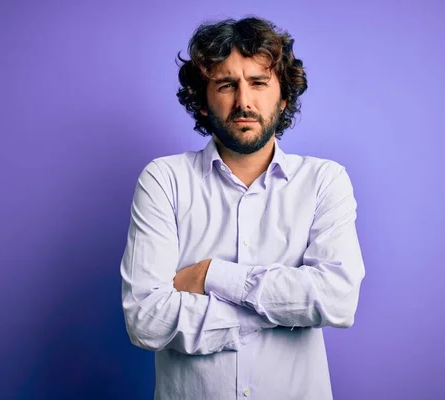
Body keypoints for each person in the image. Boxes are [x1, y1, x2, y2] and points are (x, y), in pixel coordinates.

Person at [120, 16, 366, 400]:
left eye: (258, 82)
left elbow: (337, 299)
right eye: (226, 85)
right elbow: (145, 321)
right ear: (203, 101)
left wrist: (210, 275)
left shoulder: (324, 181)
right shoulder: (164, 180)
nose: (244, 101)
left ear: (283, 97)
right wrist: (283, 311)